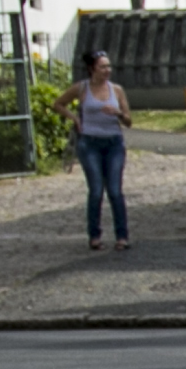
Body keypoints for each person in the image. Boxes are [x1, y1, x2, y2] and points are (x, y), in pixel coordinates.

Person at [70, 50, 132, 250]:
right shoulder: (82, 88)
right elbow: (58, 103)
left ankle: (122, 236)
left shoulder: (117, 90)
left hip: (113, 143)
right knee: (96, 190)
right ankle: (94, 235)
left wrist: (119, 113)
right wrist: (75, 119)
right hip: (89, 144)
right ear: (92, 69)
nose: (107, 70)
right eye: (103, 66)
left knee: (115, 191)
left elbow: (129, 121)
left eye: (109, 66)